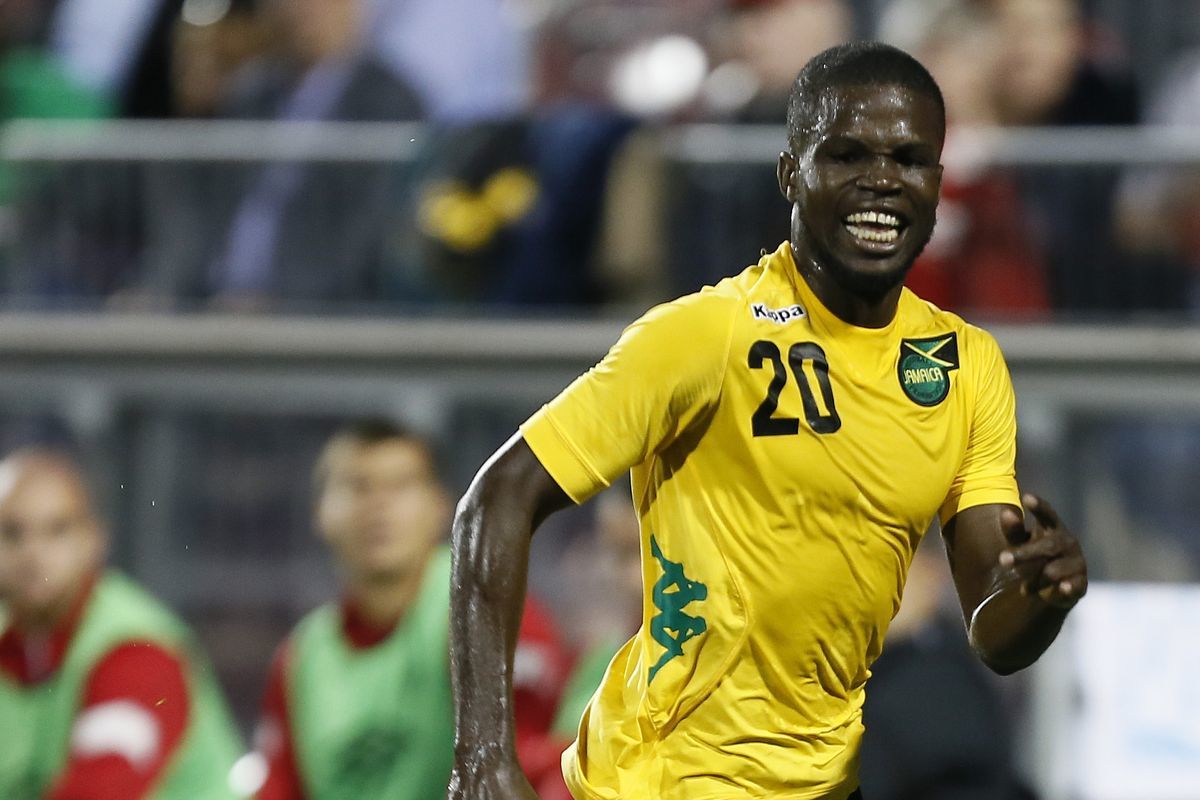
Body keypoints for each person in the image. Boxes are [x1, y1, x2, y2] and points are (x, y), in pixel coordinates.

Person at [448, 42, 1088, 800]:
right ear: (790, 173)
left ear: (937, 183)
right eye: (847, 155)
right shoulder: (704, 336)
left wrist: (1041, 599)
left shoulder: (964, 365)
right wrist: (482, 754)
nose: (883, 180)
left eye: (909, 159)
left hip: (825, 782)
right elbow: (497, 498)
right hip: (665, 780)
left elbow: (994, 629)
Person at [252, 419, 569, 800]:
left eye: (400, 486)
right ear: (320, 512)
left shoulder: (488, 605)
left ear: (441, 506)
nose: (378, 505)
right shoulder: (301, 657)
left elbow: (538, 763)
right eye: (358, 486)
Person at [0, 448, 243, 799]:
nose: (33, 553)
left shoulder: (138, 650)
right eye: (12, 533)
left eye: (57, 530)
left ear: (94, 539)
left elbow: (100, 792)